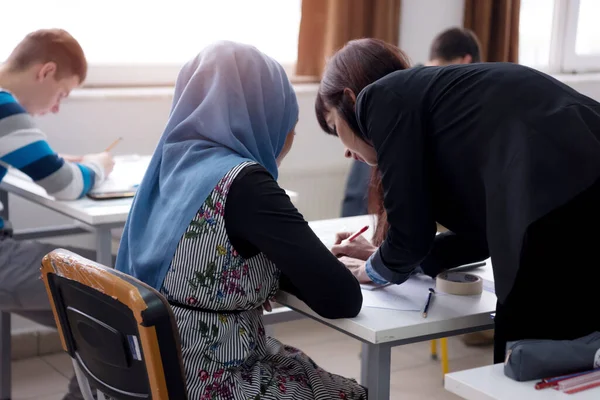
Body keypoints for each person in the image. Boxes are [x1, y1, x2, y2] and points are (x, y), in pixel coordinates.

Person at [315, 38, 600, 364]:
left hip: (557, 187)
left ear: (351, 98)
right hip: (582, 176)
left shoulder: (378, 97)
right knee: (573, 361)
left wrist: (370, 269)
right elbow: (477, 239)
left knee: (528, 360)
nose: (346, 151)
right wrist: (390, 257)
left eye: (333, 126)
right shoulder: (436, 111)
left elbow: (411, 235)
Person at [116, 41, 366, 399]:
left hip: (151, 367)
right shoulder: (246, 183)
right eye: (288, 123)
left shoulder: (169, 163)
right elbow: (342, 298)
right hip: (212, 379)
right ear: (265, 117)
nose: (288, 136)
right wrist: (303, 264)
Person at [0, 29, 114, 399]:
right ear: (45, 71)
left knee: (89, 317)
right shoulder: (4, 105)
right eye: (61, 94)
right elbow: (65, 186)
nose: (55, 108)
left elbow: (32, 164)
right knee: (118, 293)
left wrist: (57, 161)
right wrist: (98, 165)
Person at [340, 27, 482, 217]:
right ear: (467, 61)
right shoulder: (436, 100)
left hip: (357, 210)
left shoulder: (399, 84)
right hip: (383, 217)